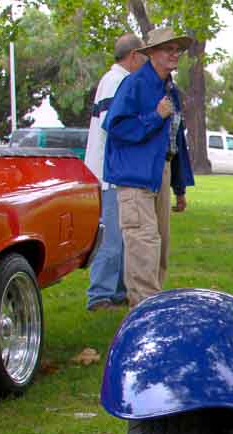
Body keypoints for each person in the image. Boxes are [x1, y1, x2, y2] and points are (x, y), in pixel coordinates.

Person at [103, 27, 195, 307]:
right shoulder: (134, 85)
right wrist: (155, 116)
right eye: (168, 48)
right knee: (144, 247)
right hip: (135, 178)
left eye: (177, 49)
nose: (174, 54)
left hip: (160, 174)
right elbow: (116, 127)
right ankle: (143, 317)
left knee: (159, 250)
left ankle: (150, 310)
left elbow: (175, 140)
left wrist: (179, 187)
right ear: (151, 54)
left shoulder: (170, 90)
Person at [84, 33, 146, 311]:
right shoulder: (116, 82)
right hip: (108, 173)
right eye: (144, 56)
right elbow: (115, 125)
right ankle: (100, 295)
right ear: (133, 56)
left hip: (115, 171)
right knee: (110, 238)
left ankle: (117, 292)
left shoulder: (115, 80)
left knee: (121, 236)